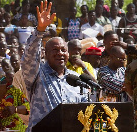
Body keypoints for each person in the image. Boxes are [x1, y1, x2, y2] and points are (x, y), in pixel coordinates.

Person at [21, 1, 88, 131]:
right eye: (55, 50)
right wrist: (40, 30)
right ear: (46, 54)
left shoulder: (76, 79)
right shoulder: (37, 75)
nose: (60, 53)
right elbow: (29, 57)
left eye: (63, 50)